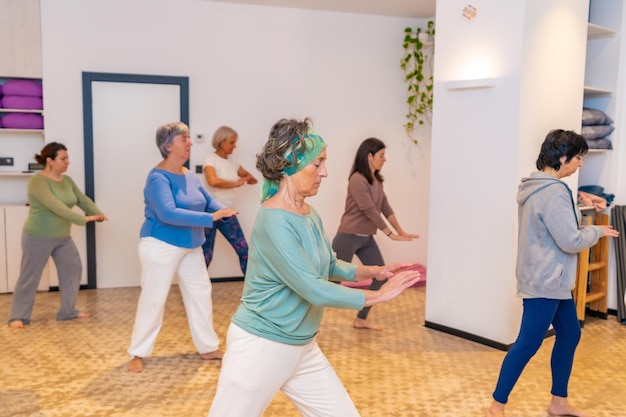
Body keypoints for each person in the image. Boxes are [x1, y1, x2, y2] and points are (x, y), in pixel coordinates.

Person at [207, 117, 421, 417]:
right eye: (317, 164)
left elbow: (329, 264)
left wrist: (370, 272)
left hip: (303, 347)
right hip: (261, 345)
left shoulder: (308, 212)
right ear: (290, 166)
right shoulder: (274, 220)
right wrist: (375, 296)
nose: (325, 172)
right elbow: (313, 288)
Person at [484, 129, 620, 417]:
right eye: (579, 158)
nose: (580, 164)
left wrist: (584, 209)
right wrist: (596, 231)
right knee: (528, 343)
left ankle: (558, 402)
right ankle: (496, 405)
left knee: (569, 334)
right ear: (562, 158)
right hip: (546, 281)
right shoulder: (555, 193)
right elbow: (570, 241)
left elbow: (558, 225)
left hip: (550, 279)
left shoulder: (536, 187)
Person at [127, 122, 238, 373]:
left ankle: (208, 347)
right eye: (183, 139)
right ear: (168, 146)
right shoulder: (157, 177)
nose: (190, 143)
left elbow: (206, 199)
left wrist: (222, 209)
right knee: (153, 299)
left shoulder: (188, 174)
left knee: (200, 294)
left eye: (189, 138)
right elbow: (168, 213)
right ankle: (137, 352)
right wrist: (210, 219)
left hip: (191, 244)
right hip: (161, 245)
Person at [8, 142, 107, 329]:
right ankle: (18, 317)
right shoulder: (37, 182)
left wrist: (98, 213)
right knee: (30, 276)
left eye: (67, 158)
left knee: (73, 270)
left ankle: (67, 312)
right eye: (63, 159)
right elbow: (56, 206)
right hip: (37, 236)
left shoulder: (67, 181)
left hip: (62, 237)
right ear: (49, 161)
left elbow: (82, 199)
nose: (67, 162)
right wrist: (83, 220)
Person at [332, 137, 419, 330]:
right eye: (381, 155)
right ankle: (302, 317)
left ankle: (360, 319)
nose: (385, 159)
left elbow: (384, 206)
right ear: (369, 156)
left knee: (381, 275)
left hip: (366, 238)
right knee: (331, 280)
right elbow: (369, 210)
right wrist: (389, 234)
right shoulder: (357, 179)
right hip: (348, 236)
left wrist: (401, 231)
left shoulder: (377, 181)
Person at [201, 125, 257, 275]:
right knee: (206, 253)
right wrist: (236, 183)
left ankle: (253, 288)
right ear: (221, 141)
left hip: (227, 212)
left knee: (244, 250)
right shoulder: (210, 159)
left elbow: (248, 175)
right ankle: (196, 288)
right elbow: (212, 181)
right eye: (232, 142)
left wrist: (248, 178)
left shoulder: (232, 162)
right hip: (210, 212)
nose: (235, 146)